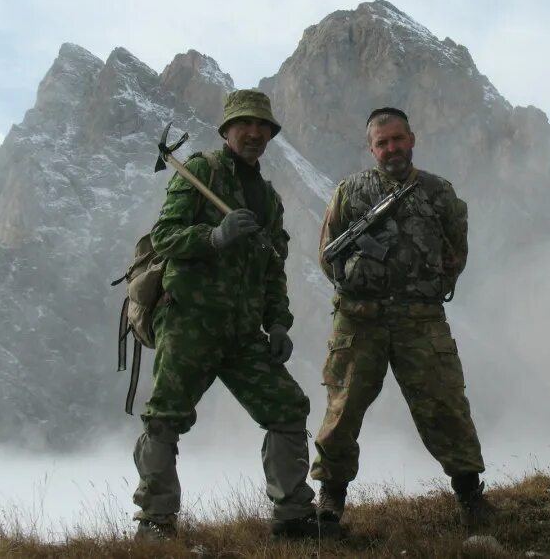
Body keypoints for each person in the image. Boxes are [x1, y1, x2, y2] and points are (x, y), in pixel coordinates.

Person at [132, 89, 323, 541]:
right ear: (227, 131)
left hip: (242, 333)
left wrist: (278, 322)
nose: (254, 133)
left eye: (263, 127)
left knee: (287, 407)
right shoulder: (200, 172)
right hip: (188, 322)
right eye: (245, 125)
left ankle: (293, 517)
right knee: (165, 417)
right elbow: (164, 237)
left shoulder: (270, 200)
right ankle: (155, 523)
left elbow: (273, 266)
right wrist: (214, 236)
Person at [310, 107, 497, 530]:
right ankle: (330, 501)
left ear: (412, 139)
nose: (391, 148)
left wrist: (422, 288)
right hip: (360, 321)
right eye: (382, 142)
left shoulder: (438, 192)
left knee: (445, 406)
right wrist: (363, 280)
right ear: (371, 148)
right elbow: (328, 255)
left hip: (421, 320)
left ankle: (471, 496)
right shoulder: (349, 191)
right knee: (342, 411)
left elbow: (456, 253)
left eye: (398, 139)